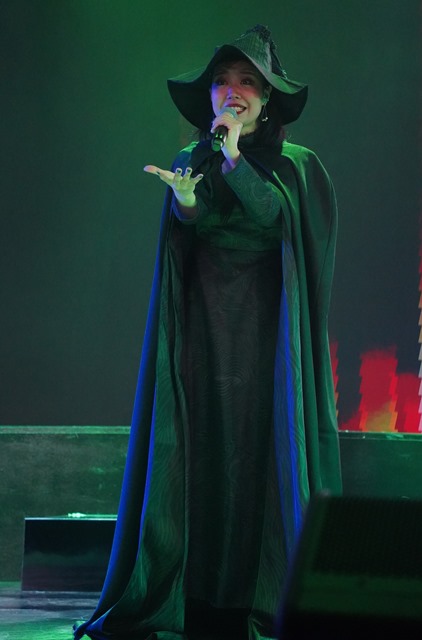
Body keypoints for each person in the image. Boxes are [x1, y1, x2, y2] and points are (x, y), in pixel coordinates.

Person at [73, 24, 342, 640]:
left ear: (267, 100)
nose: (232, 91)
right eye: (222, 82)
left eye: (247, 81)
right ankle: (196, 593)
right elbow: (187, 226)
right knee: (202, 453)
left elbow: (272, 216)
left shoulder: (295, 165)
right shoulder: (191, 159)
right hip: (204, 330)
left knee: (260, 454)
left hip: (267, 337)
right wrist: (187, 200)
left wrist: (234, 158)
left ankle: (258, 593)